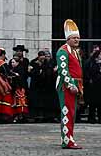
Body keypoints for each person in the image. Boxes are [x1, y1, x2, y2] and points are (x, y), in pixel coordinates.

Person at [56, 19, 84, 149]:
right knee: (67, 112)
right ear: (68, 39)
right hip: (66, 86)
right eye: (74, 38)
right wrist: (71, 85)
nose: (76, 40)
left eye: (78, 38)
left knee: (72, 113)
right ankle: (67, 140)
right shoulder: (63, 51)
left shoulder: (75, 52)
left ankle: (69, 137)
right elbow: (63, 71)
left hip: (76, 85)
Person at [27, 50, 57, 123]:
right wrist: (38, 70)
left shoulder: (49, 63)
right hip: (36, 85)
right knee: (36, 102)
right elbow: (30, 73)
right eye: (42, 57)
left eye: (46, 57)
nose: (44, 58)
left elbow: (49, 72)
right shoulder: (33, 62)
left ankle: (48, 117)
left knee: (47, 102)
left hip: (47, 85)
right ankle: (36, 117)